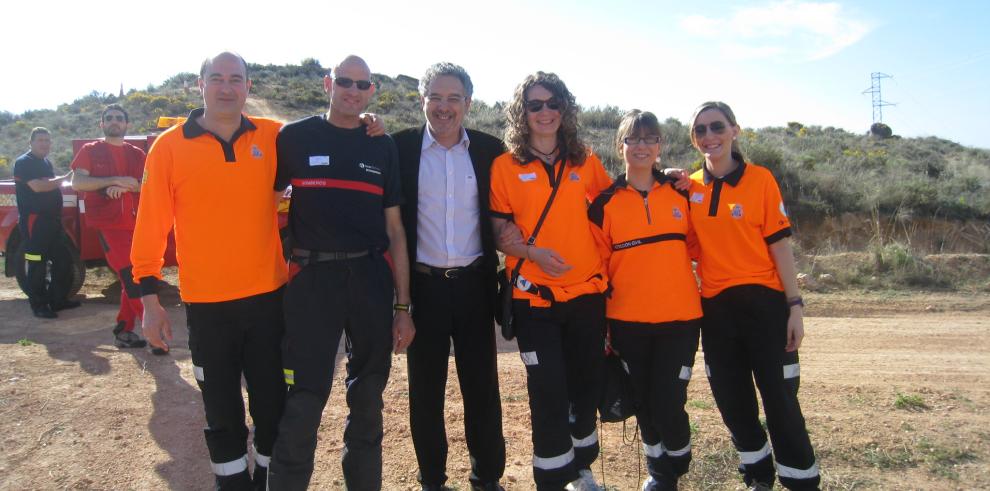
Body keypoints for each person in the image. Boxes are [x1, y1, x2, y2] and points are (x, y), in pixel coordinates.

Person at [131, 52, 288, 490]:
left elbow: (334, 138)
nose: (226, 87)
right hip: (206, 306)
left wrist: (370, 122)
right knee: (221, 412)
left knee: (273, 405)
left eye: (235, 78)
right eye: (215, 78)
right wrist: (150, 302)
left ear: (248, 87)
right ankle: (232, 484)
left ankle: (267, 480)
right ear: (198, 85)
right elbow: (150, 228)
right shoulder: (169, 147)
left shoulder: (276, 137)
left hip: (267, 301)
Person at [266, 55, 415, 491]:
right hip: (312, 282)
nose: (353, 90)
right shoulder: (293, 137)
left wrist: (403, 306)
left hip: (370, 278)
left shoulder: (381, 145)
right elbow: (263, 204)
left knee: (368, 398)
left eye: (362, 84)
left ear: (372, 92)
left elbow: (396, 230)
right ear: (328, 83)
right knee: (304, 399)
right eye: (345, 81)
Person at [686, 101, 819, 490]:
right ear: (694, 140)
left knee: (780, 400)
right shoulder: (691, 186)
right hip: (716, 310)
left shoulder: (760, 179)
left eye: (716, 127)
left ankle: (801, 480)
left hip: (765, 307)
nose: (709, 136)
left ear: (734, 131)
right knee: (733, 402)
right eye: (700, 131)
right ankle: (758, 475)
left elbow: (780, 246)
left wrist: (794, 306)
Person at [489, 72, 612, 491]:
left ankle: (581, 468)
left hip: (587, 297)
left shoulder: (586, 161)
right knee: (547, 389)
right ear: (521, 112)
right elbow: (499, 231)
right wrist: (533, 254)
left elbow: (615, 207)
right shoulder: (505, 167)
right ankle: (552, 478)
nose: (545, 112)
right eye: (535, 105)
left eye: (552, 103)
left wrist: (667, 179)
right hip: (534, 300)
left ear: (565, 108)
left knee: (584, 387)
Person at [392, 62, 506, 491]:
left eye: (453, 98)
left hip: (476, 286)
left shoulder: (491, 151)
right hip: (422, 288)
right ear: (422, 100)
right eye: (435, 97)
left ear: (468, 103)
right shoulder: (397, 148)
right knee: (425, 395)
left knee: (483, 391)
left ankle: (487, 478)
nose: (444, 107)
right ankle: (432, 481)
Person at [587, 110, 702, 491]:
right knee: (642, 399)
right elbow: (598, 265)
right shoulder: (604, 204)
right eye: (632, 139)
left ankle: (677, 462)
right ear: (619, 146)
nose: (641, 146)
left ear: (660, 146)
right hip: (627, 321)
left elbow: (702, 246)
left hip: (681, 319)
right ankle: (660, 474)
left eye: (649, 138)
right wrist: (602, 322)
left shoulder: (681, 194)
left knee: (669, 400)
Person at [70, 104, 148, 349]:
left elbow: (148, 184)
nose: (115, 121)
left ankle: (123, 330)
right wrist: (114, 180)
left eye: (119, 118)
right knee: (131, 276)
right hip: (109, 226)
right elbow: (78, 182)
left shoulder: (137, 154)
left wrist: (126, 186)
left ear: (127, 124)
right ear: (101, 124)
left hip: (136, 224)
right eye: (109, 118)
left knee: (133, 277)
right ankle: (155, 333)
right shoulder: (90, 151)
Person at [13, 127, 80, 318]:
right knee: (36, 264)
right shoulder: (23, 163)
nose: (44, 143)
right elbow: (38, 186)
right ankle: (39, 306)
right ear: (31, 142)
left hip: (52, 222)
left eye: (47, 140)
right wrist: (65, 179)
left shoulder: (45, 162)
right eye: (40, 140)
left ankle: (58, 300)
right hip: (35, 222)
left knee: (63, 261)